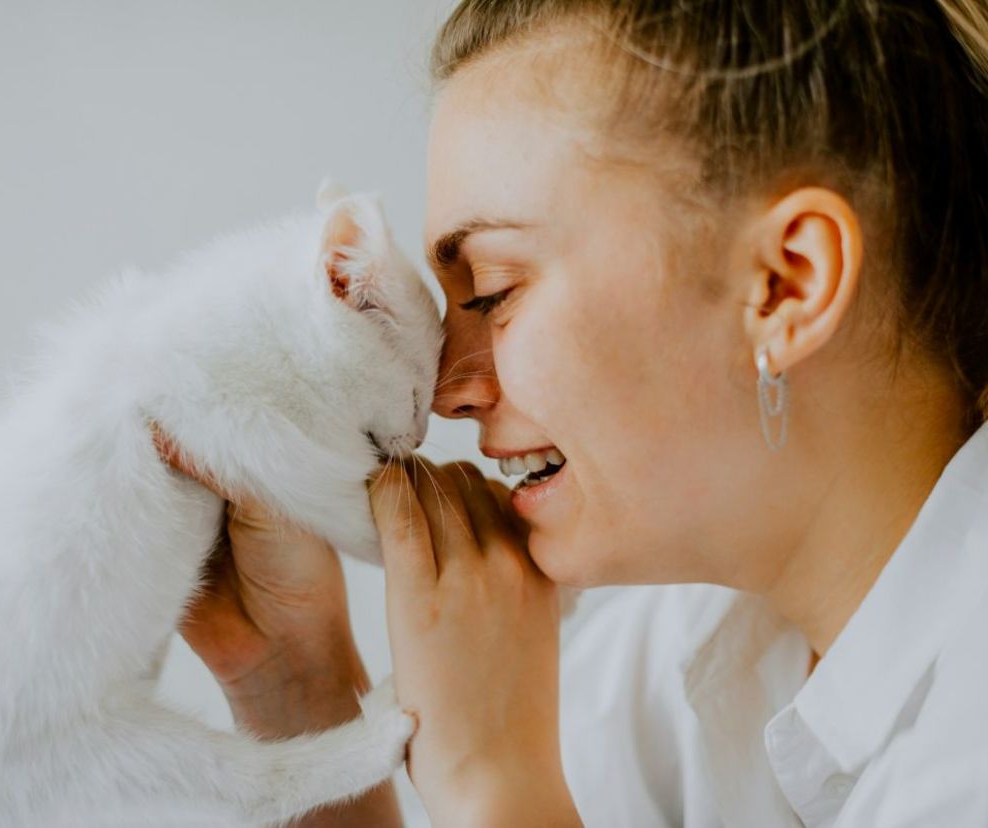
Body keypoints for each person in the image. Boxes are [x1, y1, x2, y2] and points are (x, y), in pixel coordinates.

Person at [160, 1, 988, 824]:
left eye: (492, 290)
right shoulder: (678, 659)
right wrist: (303, 695)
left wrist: (496, 784)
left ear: (786, 284)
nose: (447, 388)